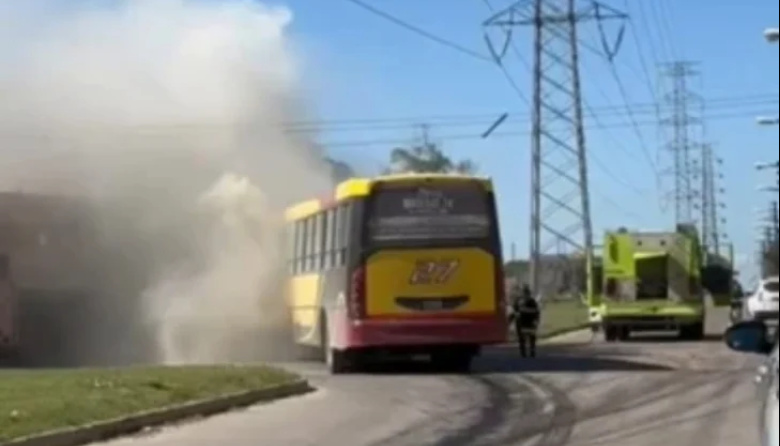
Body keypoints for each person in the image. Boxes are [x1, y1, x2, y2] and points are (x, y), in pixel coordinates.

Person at [510, 284, 540, 357]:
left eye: (526, 292)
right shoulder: (519, 301)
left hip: (528, 322)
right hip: (523, 322)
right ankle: (524, 352)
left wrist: (536, 320)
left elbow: (536, 312)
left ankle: (530, 351)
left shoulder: (531, 301)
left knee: (529, 338)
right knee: (523, 338)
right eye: (525, 292)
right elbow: (515, 311)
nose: (525, 294)